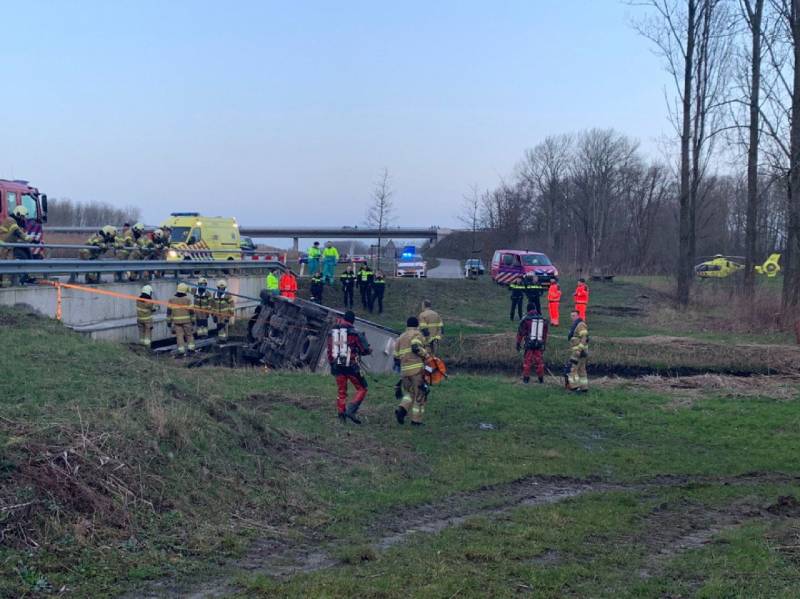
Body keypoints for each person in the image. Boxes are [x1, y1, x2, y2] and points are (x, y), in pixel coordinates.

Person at [327, 310, 372, 423]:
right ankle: (351, 410)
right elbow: (364, 350)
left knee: (341, 391)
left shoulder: (333, 333)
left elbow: (329, 350)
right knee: (362, 388)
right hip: (351, 366)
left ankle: (341, 415)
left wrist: (332, 364)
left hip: (337, 366)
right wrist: (368, 350)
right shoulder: (355, 333)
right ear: (353, 321)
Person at [394, 317, 431, 427]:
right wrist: (426, 355)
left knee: (409, 394)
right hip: (416, 371)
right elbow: (415, 347)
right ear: (417, 325)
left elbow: (396, 357)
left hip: (405, 371)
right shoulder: (417, 334)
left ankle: (401, 409)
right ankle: (416, 421)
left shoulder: (400, 337)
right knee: (420, 394)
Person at [0, 205, 34, 287]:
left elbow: (14, 236)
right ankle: (5, 285)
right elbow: (19, 233)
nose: (23, 219)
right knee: (5, 266)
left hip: (7, 247)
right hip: (3, 247)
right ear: (18, 214)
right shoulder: (11, 221)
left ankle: (4, 285)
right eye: (22, 216)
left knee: (7, 266)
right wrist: (30, 239)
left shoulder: (13, 221)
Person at [516, 303, 549, 384]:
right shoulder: (542, 319)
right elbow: (544, 334)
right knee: (539, 361)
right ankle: (541, 379)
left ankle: (526, 379)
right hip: (539, 343)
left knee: (527, 361)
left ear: (528, 309)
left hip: (529, 344)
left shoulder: (526, 319)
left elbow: (521, 333)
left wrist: (518, 343)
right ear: (535, 308)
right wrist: (544, 343)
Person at [167, 282, 195, 356]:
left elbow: (169, 312)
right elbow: (192, 311)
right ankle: (191, 349)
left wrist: (169, 321)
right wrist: (193, 320)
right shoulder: (188, 300)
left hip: (176, 322)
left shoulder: (171, 300)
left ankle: (181, 351)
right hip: (187, 321)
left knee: (179, 336)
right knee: (189, 335)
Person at [567, 309, 589, 392]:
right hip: (582, 352)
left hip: (578, 352)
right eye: (571, 316)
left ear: (578, 315)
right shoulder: (577, 324)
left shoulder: (580, 325)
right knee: (581, 370)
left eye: (574, 315)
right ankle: (584, 387)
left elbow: (584, 337)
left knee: (573, 369)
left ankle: (574, 387)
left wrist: (579, 349)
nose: (572, 317)